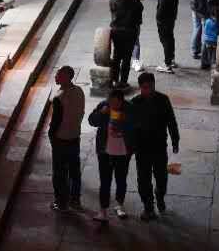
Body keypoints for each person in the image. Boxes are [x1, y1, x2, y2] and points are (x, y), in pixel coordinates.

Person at [128, 71, 180, 220]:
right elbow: (129, 127)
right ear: (140, 88)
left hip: (159, 146)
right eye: (145, 87)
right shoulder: (135, 103)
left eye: (151, 86)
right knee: (143, 180)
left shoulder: (163, 100)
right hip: (142, 148)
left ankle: (160, 196)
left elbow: (171, 121)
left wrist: (175, 140)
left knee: (161, 178)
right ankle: (148, 207)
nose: (149, 90)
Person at [88, 87, 134, 221]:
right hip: (105, 151)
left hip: (122, 152)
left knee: (121, 179)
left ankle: (120, 205)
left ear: (121, 101)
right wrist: (101, 113)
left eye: (115, 103)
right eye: (110, 102)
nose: (112, 105)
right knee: (105, 181)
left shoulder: (129, 108)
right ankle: (103, 210)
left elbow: (136, 126)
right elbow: (91, 121)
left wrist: (125, 119)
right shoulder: (104, 106)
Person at [46, 66, 85, 210]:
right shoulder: (79, 91)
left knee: (59, 172)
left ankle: (61, 202)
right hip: (74, 136)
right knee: (74, 171)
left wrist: (51, 135)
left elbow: (56, 122)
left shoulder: (59, 97)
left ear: (67, 77)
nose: (56, 77)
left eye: (59, 75)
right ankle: (75, 200)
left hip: (61, 139)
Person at [106, 0, 145, 87]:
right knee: (127, 58)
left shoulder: (113, 0)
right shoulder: (134, 0)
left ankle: (114, 80)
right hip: (130, 31)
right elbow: (139, 11)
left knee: (116, 56)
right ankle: (123, 82)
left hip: (116, 30)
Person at [152, 0, 182, 71]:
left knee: (165, 39)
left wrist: (158, 17)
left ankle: (167, 63)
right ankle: (171, 59)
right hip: (172, 14)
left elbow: (162, 2)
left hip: (164, 17)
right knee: (170, 37)